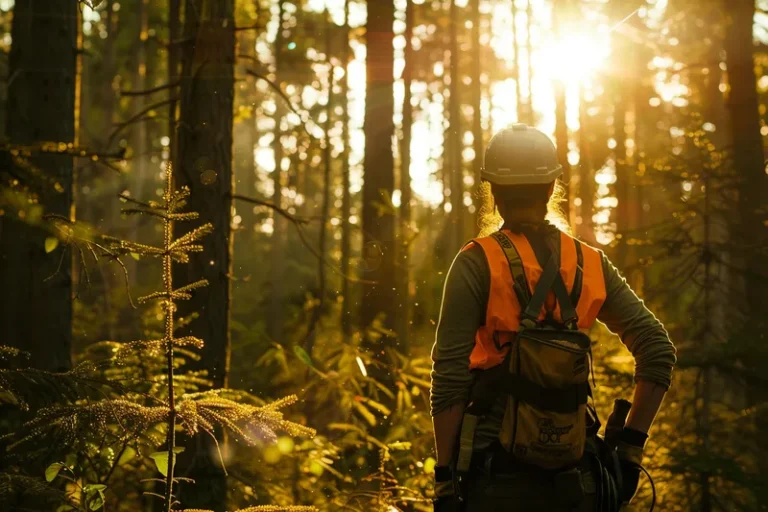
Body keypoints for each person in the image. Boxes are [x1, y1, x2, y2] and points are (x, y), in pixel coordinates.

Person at [430, 124, 676, 511]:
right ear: (551, 188)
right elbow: (657, 350)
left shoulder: (477, 263)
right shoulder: (589, 263)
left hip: (495, 480)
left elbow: (449, 378)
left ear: (493, 192)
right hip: (579, 482)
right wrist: (629, 450)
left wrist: (445, 481)